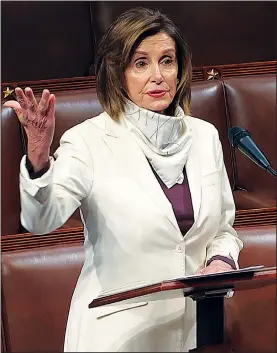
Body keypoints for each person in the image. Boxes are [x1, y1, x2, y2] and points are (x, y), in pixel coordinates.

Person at [4, 7, 243, 352]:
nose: (157, 76)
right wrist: (39, 159)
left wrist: (221, 260)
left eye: (167, 60)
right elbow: (41, 220)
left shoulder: (205, 137)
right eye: (141, 63)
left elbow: (224, 229)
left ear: (181, 69)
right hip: (117, 336)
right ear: (118, 73)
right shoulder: (87, 141)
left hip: (194, 332)